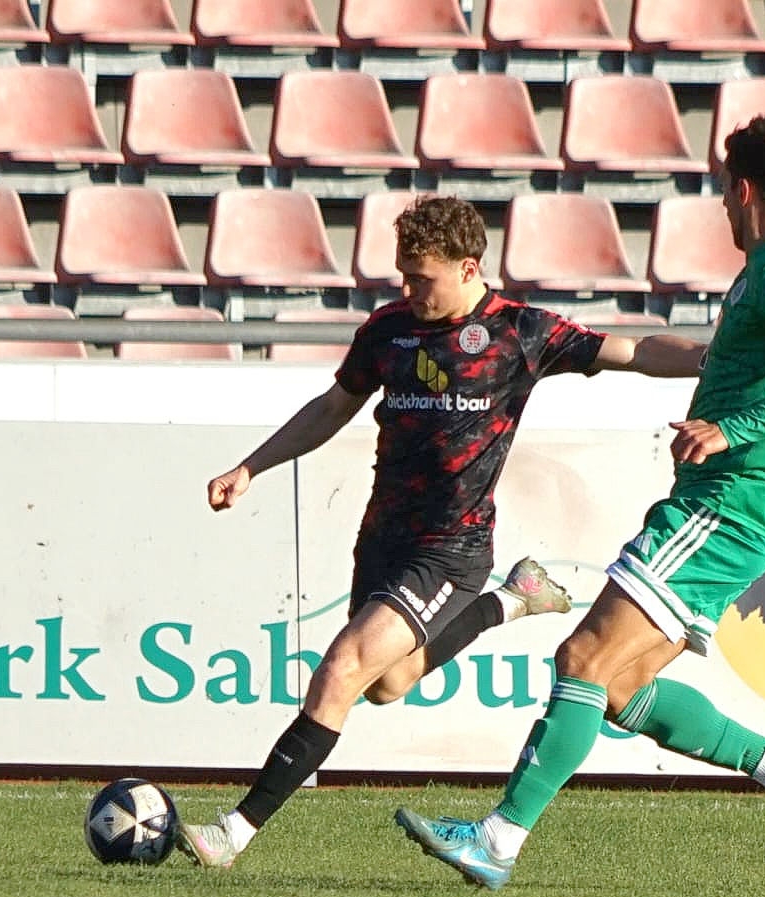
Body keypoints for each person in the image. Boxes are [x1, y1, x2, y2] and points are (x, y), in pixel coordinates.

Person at [394, 115, 765, 888]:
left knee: (582, 657)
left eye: (724, 190)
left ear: (744, 189)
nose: (723, 204)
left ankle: (497, 840)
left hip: (725, 506)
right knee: (616, 686)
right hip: (732, 507)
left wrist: (734, 427)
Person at [175, 195, 708, 868]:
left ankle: (234, 832)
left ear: (468, 267)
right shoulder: (387, 329)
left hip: (451, 548)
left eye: (421, 277)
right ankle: (510, 600)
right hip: (383, 536)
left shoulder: (520, 332)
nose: (409, 290)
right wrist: (251, 466)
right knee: (385, 683)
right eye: (403, 275)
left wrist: (713, 357)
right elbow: (333, 406)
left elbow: (634, 349)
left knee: (341, 668)